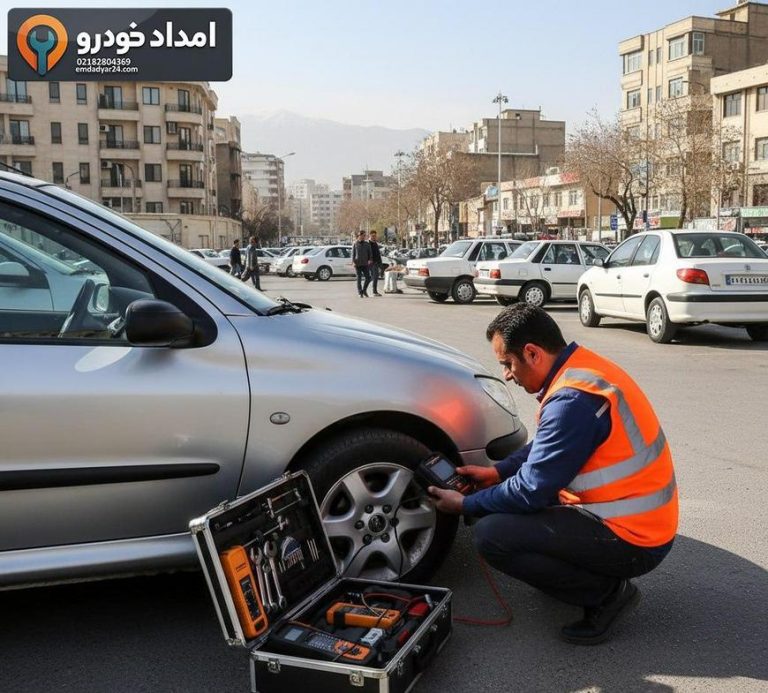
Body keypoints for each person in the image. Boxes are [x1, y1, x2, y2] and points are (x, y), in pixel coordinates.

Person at [429, 304, 678, 645]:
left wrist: (466, 504)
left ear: (532, 353)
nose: (507, 375)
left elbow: (531, 490)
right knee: (513, 512)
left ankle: (607, 594)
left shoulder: (573, 401)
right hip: (641, 520)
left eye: (507, 363)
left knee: (492, 534)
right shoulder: (583, 370)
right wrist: (498, 472)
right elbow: (549, 448)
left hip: (636, 539)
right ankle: (577, 573)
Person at [352, 230, 372, 298]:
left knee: (368, 278)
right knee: (359, 278)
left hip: (365, 263)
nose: (364, 237)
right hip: (357, 264)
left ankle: (364, 290)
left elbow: (370, 253)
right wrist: (353, 262)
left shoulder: (367, 244)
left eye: (365, 236)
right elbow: (353, 254)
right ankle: (360, 292)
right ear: (359, 235)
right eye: (363, 235)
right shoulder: (355, 243)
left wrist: (370, 260)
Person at [368, 230, 383, 296]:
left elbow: (378, 254)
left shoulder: (375, 243)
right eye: (373, 236)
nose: (374, 237)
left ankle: (374, 291)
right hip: (371, 263)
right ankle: (373, 291)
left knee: (375, 277)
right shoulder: (368, 243)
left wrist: (380, 263)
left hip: (376, 262)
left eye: (375, 236)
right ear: (370, 236)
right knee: (373, 277)